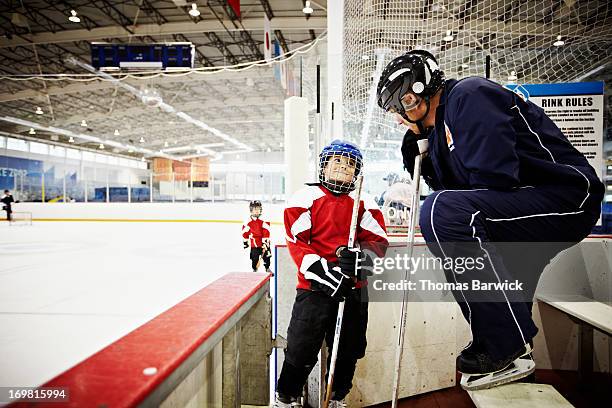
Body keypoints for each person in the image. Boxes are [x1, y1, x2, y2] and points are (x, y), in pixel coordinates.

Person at [376, 50, 604, 389]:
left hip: (568, 196)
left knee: (441, 213)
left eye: (402, 104)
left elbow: (492, 179)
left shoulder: (469, 95)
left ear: (421, 92)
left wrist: (440, 158)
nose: (399, 117)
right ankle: (513, 356)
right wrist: (421, 151)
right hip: (525, 205)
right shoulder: (437, 129)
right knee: (506, 291)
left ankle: (505, 344)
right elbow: (460, 191)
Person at [274, 140, 389, 407]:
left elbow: (378, 242)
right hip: (314, 289)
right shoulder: (304, 196)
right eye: (337, 161)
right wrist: (322, 271)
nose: (343, 167)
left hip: (353, 289)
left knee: (347, 350)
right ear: (324, 165)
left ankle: (338, 397)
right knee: (301, 346)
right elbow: (297, 240)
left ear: (356, 173)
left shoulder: (365, 201)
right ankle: (286, 397)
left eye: (350, 164)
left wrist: (361, 259)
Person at [242, 200, 272, 273]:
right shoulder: (248, 222)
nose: (257, 211)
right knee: (254, 257)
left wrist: (265, 242)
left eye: (258, 209)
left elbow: (266, 231)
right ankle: (254, 268)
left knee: (266, 256)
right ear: (251, 210)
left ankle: (267, 267)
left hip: (264, 242)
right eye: (255, 209)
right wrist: (245, 242)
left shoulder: (264, 220)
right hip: (254, 243)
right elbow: (245, 232)